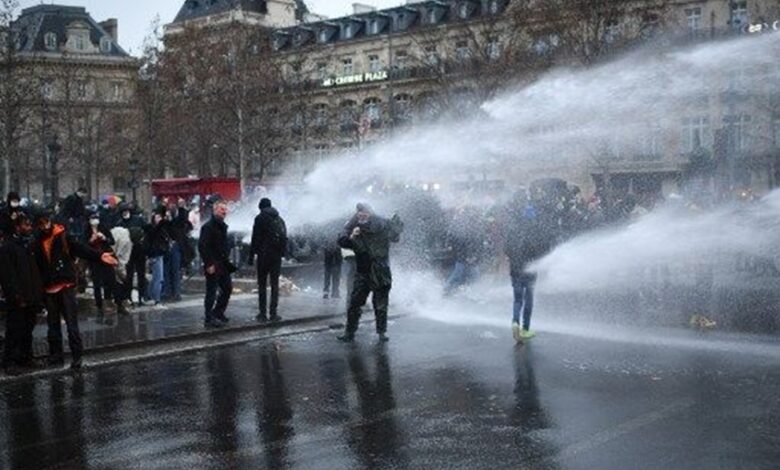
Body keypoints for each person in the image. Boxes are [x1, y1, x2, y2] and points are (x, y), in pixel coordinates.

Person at [34, 208, 117, 369]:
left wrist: (99, 256)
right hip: (50, 288)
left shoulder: (63, 236)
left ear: (50, 221)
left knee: (71, 325)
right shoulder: (37, 241)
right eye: (41, 224)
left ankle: (76, 356)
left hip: (65, 286)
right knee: (53, 327)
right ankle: (56, 356)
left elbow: (81, 249)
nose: (44, 227)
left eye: (46, 223)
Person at [337, 203, 403, 343]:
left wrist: (397, 223)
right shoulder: (353, 225)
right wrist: (351, 236)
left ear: (371, 213)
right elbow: (342, 241)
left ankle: (381, 332)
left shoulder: (382, 224)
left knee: (380, 304)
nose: (362, 214)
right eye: (360, 212)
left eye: (365, 212)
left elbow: (395, 236)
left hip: (380, 270)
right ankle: (349, 332)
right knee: (355, 303)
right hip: (363, 270)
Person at [0, 212, 44, 374]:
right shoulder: (8, 247)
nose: (29, 228)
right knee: (14, 330)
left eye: (29, 225)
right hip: (18, 298)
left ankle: (25, 357)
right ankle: (9, 361)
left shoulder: (28, 245)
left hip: (31, 295)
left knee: (27, 329)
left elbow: (33, 271)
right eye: (26, 225)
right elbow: (7, 275)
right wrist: (16, 295)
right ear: (17, 227)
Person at [505, 201, 552, 344]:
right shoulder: (537, 231)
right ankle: (525, 328)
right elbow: (543, 251)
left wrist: (514, 259)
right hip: (530, 272)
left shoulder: (514, 230)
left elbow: (506, 249)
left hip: (515, 270)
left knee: (517, 299)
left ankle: (515, 322)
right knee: (529, 299)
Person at [249, 198, 287, 322]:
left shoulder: (260, 218)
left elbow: (255, 238)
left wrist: (251, 256)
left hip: (263, 256)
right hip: (276, 257)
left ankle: (262, 313)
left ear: (261, 207)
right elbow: (284, 238)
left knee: (262, 284)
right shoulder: (279, 219)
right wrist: (281, 254)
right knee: (275, 285)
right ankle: (274, 313)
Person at [83, 211, 126, 320]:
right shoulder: (86, 231)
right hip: (94, 259)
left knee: (112, 281)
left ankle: (119, 304)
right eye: (92, 219)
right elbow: (83, 246)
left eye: (96, 218)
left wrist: (104, 238)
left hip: (106, 258)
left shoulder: (103, 228)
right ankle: (99, 307)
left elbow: (111, 241)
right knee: (97, 284)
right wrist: (91, 240)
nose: (95, 221)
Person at [199, 200, 234, 328]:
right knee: (211, 291)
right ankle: (209, 318)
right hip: (213, 263)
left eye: (225, 209)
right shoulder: (208, 226)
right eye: (221, 209)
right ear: (215, 210)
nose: (224, 211)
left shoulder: (222, 225)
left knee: (227, 288)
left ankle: (218, 313)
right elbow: (203, 246)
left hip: (223, 263)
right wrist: (208, 264)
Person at [117, 204, 148, 306]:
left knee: (141, 274)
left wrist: (143, 241)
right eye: (123, 211)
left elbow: (147, 230)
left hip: (139, 249)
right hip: (128, 251)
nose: (125, 213)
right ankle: (128, 297)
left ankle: (141, 296)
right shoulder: (120, 223)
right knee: (129, 275)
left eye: (126, 211)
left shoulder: (138, 220)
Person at [144, 208, 171, 307]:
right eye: (158, 217)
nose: (160, 219)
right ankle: (156, 299)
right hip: (155, 255)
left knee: (155, 278)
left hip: (158, 254)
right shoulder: (152, 228)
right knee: (158, 278)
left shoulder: (159, 229)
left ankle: (150, 296)